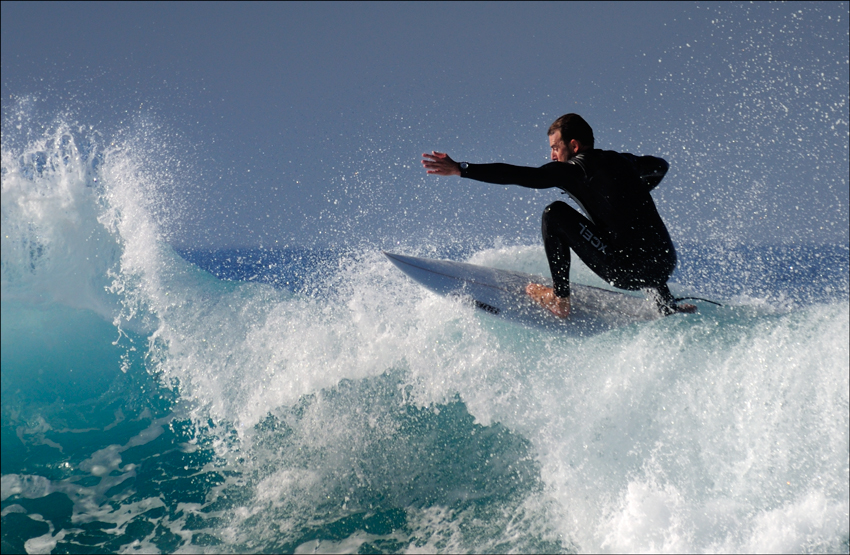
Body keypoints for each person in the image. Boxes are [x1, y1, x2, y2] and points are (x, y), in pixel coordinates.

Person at [421, 113, 696, 318]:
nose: (552, 155)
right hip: (665, 264)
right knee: (634, 228)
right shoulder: (623, 161)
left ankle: (559, 299)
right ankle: (666, 305)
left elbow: (522, 175)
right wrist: (635, 193)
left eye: (555, 147)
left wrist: (461, 168)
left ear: (573, 146)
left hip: (625, 271)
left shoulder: (575, 169)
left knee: (555, 214)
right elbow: (660, 166)